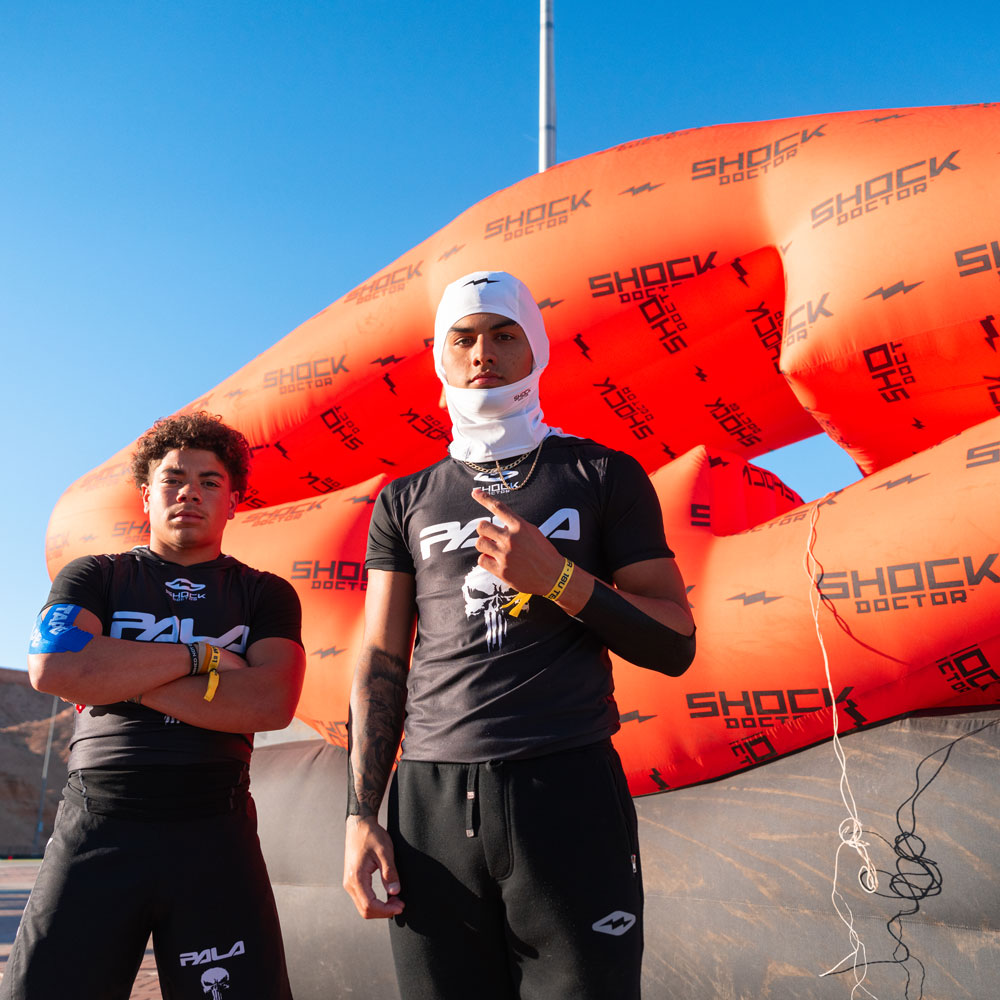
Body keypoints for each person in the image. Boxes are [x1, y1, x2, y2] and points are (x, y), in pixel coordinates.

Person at [342, 271, 696, 999]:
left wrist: (560, 579)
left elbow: (675, 642)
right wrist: (359, 814)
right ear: (440, 357)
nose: (483, 354)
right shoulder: (404, 499)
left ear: (536, 347)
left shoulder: (601, 473)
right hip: (429, 804)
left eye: (504, 335)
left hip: (566, 788)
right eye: (463, 338)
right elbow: (381, 662)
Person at [4, 412, 306, 1000]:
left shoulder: (265, 592)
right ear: (146, 496)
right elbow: (54, 666)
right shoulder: (94, 575)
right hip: (97, 823)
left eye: (209, 482)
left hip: (215, 831)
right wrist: (202, 658)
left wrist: (112, 676)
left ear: (233, 502)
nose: (190, 492)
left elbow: (271, 702)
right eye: (173, 479)